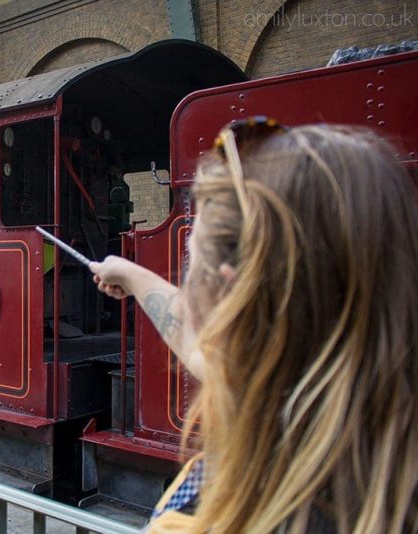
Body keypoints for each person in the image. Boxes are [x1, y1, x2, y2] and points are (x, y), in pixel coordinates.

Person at [90, 118, 418, 533]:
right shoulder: (382, 454)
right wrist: (132, 276)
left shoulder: (201, 521)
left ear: (235, 311)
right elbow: (203, 342)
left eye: (192, 268)